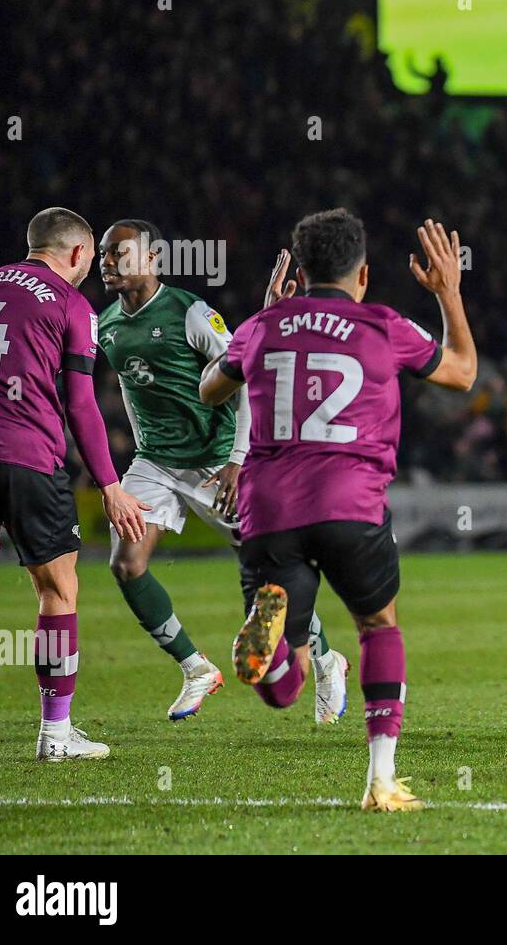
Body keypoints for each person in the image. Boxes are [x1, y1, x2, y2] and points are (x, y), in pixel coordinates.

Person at [199, 211, 476, 810]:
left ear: (299, 271)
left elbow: (209, 390)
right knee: (378, 626)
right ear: (365, 274)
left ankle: (274, 660)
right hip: (351, 505)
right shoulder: (383, 324)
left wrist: (263, 316)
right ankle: (380, 778)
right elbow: (462, 373)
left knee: (286, 686)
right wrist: (449, 293)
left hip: (269, 508)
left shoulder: (263, 326)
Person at [96, 219, 347, 722]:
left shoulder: (189, 312)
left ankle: (325, 659)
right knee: (126, 564)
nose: (107, 263)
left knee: (268, 579)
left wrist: (239, 458)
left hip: (216, 462)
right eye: (103, 254)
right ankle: (195, 667)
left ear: (152, 259)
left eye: (119, 253)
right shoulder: (106, 325)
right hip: (155, 463)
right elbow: (132, 388)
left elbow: (246, 372)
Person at [0, 207, 148, 760]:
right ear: (75, 253)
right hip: (26, 456)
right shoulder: (71, 303)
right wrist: (110, 484)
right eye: (91, 258)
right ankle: (56, 733)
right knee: (58, 590)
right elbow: (81, 404)